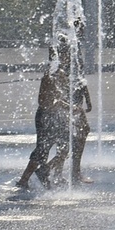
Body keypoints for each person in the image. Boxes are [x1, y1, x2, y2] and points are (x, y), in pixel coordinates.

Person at [16, 42, 74, 190]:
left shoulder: (58, 72)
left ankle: (46, 173)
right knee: (44, 149)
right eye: (67, 54)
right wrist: (67, 106)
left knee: (64, 147)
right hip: (47, 116)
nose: (69, 58)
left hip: (54, 115)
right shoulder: (52, 73)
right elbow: (45, 100)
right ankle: (36, 174)